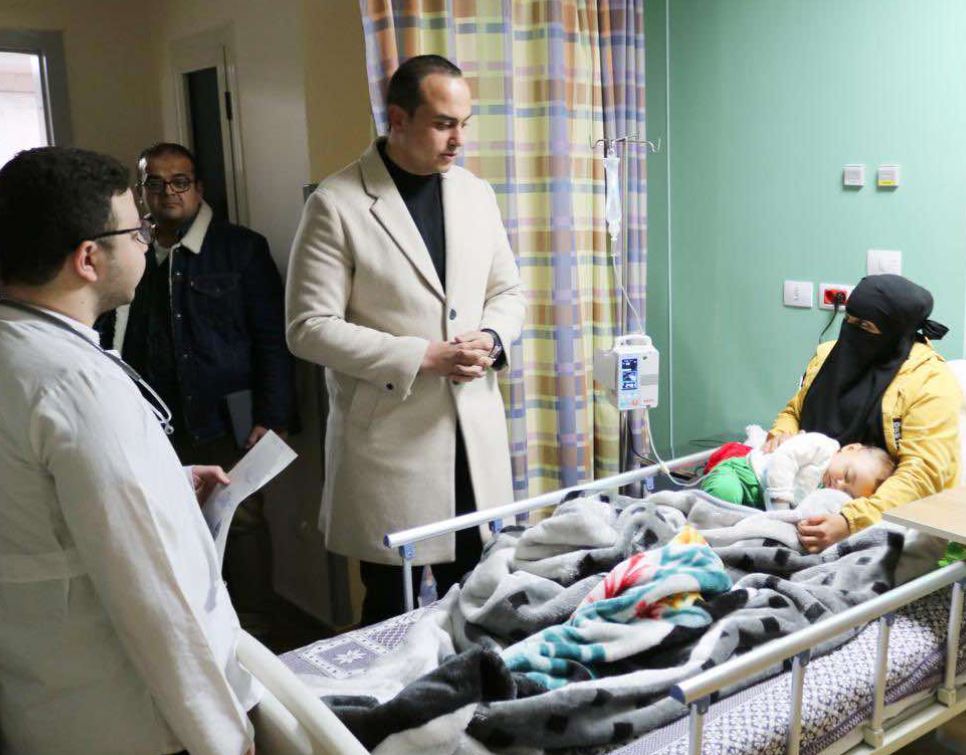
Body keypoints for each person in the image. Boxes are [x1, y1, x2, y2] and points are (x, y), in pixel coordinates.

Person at [0, 146, 257, 754]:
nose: (146, 239)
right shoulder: (76, 384)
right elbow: (153, 590)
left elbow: (38, 506)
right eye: (135, 230)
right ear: (88, 258)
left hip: (43, 703)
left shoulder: (22, 350)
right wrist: (223, 734)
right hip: (130, 720)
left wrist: (165, 480)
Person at [286, 54, 526, 624]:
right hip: (391, 445)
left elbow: (508, 291)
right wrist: (423, 356)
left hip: (472, 441)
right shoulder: (337, 204)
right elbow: (307, 328)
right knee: (391, 611)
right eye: (443, 124)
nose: (458, 139)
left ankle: (472, 684)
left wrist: (491, 338)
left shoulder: (476, 194)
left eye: (464, 124)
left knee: (477, 601)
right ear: (398, 118)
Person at [101, 141, 295, 640]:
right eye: (155, 182)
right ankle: (195, 632)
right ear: (141, 191)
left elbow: (273, 338)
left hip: (228, 419)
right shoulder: (128, 251)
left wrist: (272, 415)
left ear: (199, 188)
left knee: (242, 521)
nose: (169, 192)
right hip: (152, 421)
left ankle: (255, 632)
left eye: (180, 181)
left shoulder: (240, 249)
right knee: (167, 523)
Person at [763, 274, 961, 553]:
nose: (852, 331)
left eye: (866, 326)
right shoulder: (829, 355)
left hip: (879, 514)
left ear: (895, 332)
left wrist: (849, 521)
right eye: (849, 320)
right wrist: (782, 434)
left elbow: (922, 475)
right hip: (800, 484)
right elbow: (796, 410)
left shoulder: (931, 383)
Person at [702, 432, 895, 510]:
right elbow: (783, 457)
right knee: (725, 492)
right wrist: (780, 504)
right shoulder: (822, 447)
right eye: (847, 475)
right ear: (850, 448)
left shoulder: (827, 497)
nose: (839, 485)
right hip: (744, 475)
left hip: (760, 506)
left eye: (847, 493)